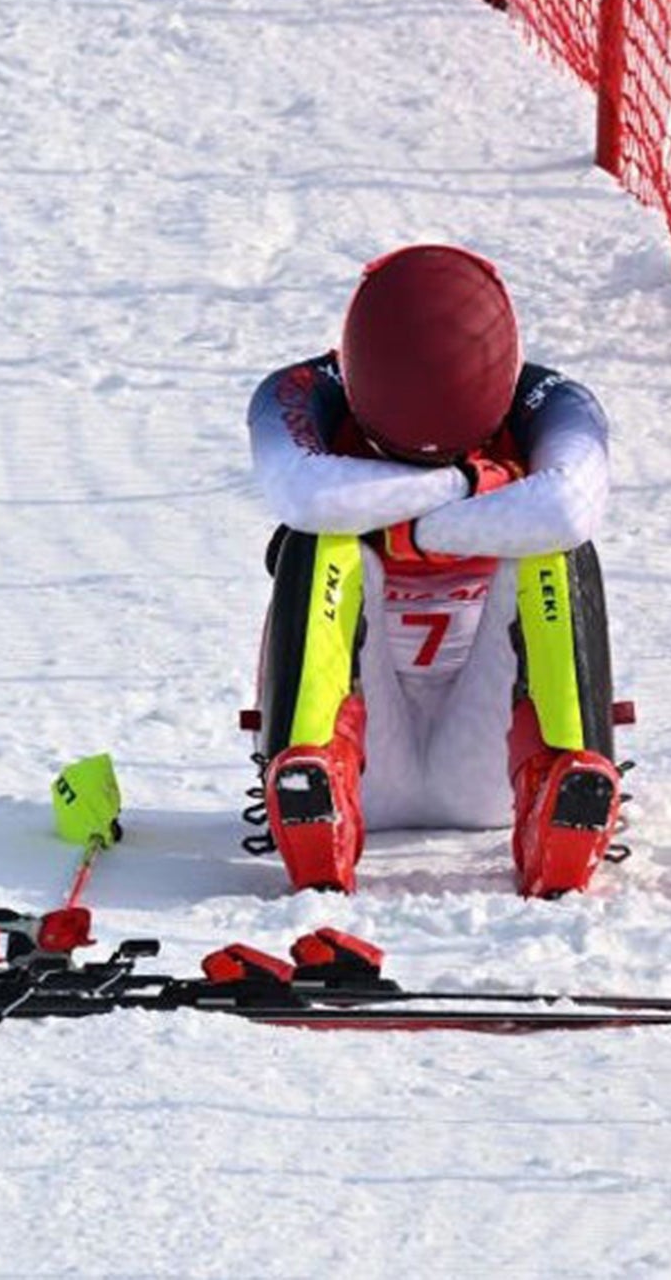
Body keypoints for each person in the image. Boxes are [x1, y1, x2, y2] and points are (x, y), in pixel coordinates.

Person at [245, 244, 622, 897]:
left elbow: (567, 507)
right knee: (321, 541)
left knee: (556, 550)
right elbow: (307, 494)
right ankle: (313, 786)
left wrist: (399, 518)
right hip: (365, 751)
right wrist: (474, 484)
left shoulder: (554, 401)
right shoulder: (300, 392)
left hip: (488, 752)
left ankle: (561, 786)